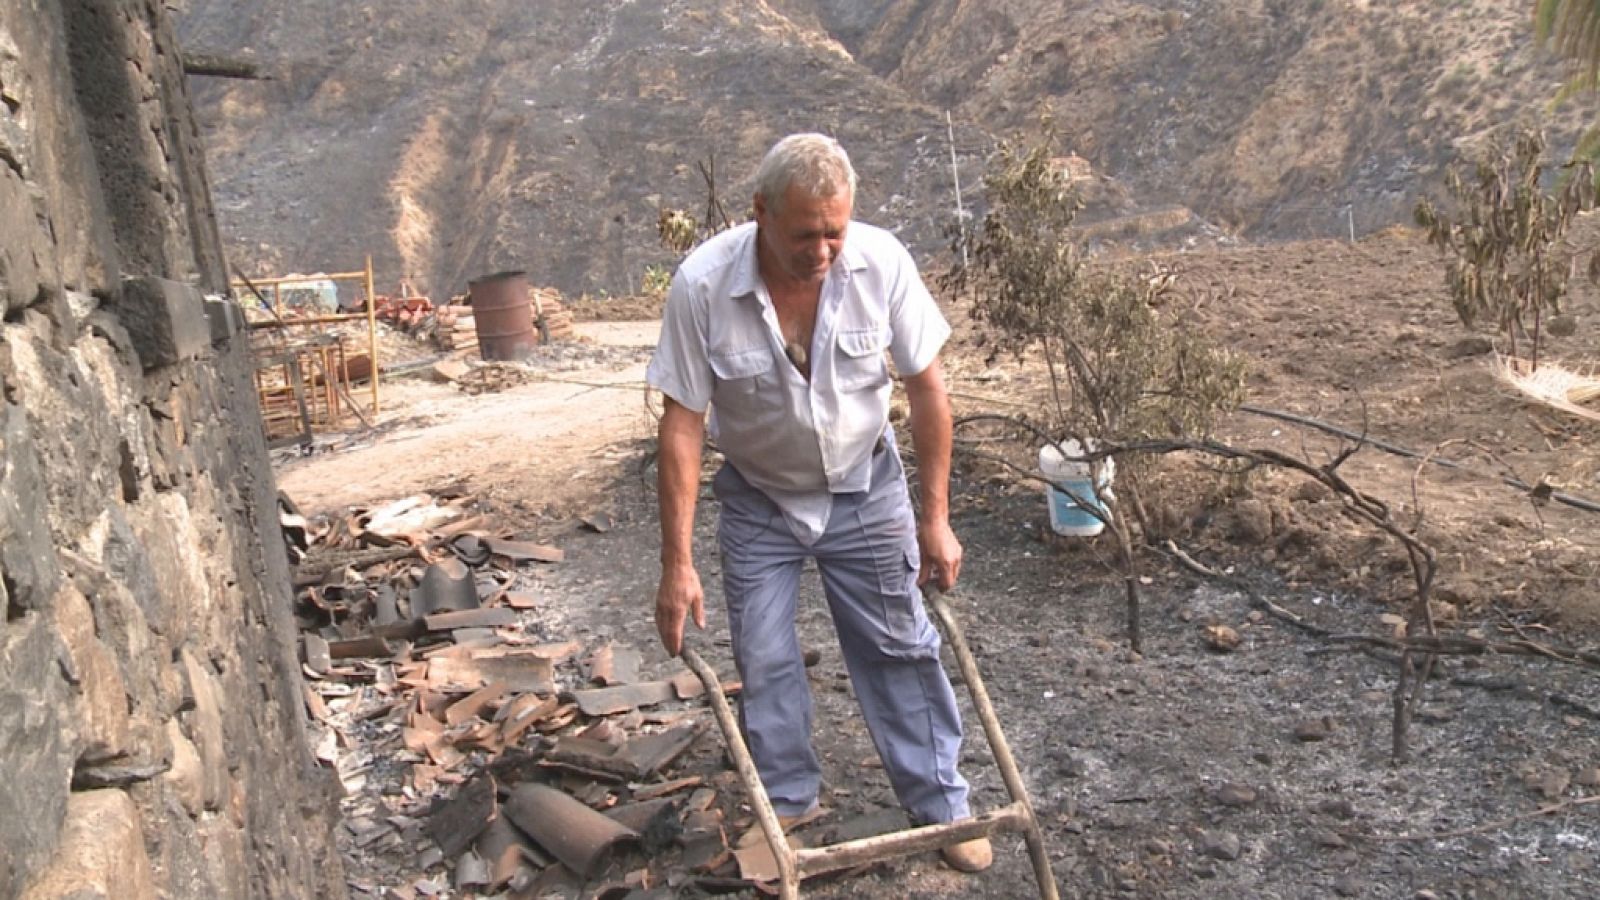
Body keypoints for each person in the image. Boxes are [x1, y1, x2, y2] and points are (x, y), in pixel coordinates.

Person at [645, 133, 991, 873]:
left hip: (865, 487)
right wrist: (677, 564)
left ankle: (941, 806)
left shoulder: (881, 262)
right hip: (759, 498)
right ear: (761, 213)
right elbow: (682, 424)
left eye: (836, 230)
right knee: (765, 657)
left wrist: (935, 517)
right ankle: (787, 807)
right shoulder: (704, 285)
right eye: (806, 234)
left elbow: (929, 390)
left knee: (899, 643)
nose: (824, 249)